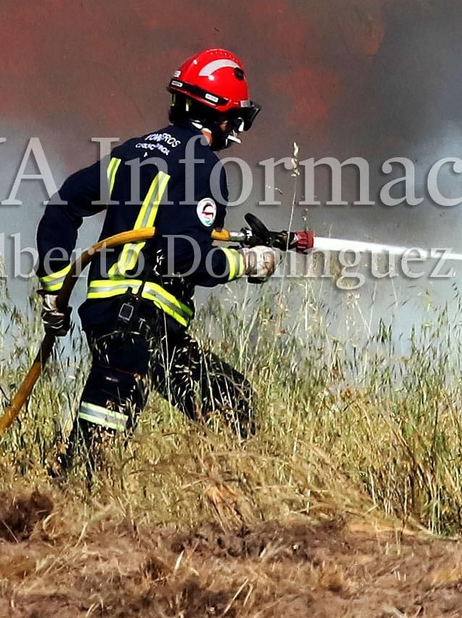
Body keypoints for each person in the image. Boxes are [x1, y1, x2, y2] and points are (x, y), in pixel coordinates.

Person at [35, 47, 282, 477]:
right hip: (137, 321)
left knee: (230, 402)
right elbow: (184, 256)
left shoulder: (132, 152)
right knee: (96, 453)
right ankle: (48, 521)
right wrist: (248, 264)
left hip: (128, 321)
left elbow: (63, 206)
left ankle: (227, 501)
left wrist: (55, 287)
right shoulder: (202, 165)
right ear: (222, 116)